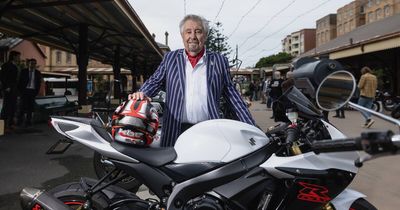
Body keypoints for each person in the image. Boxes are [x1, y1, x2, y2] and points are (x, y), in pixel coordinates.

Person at [129, 14, 255, 147]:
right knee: (172, 166)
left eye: (198, 31)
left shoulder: (219, 60)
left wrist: (251, 126)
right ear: (182, 36)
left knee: (208, 166)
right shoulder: (170, 58)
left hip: (209, 130)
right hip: (175, 130)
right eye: (188, 32)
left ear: (205, 35)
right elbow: (155, 81)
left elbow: (231, 95)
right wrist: (142, 93)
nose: (193, 36)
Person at [17, 58, 43, 127]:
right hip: (24, 91)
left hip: (32, 92)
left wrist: (36, 92)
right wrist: (20, 92)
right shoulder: (23, 71)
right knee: (22, 107)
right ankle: (19, 121)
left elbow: (38, 83)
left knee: (30, 108)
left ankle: (28, 122)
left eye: (34, 63)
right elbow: (19, 82)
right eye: (31, 63)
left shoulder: (37, 72)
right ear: (28, 64)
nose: (32, 65)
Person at [0, 51, 21, 132]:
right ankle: (2, 127)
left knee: (13, 107)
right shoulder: (6, 65)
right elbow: (2, 77)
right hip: (8, 89)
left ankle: (10, 125)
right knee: (6, 108)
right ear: (14, 56)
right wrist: (6, 87)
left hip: (14, 89)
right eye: (18, 56)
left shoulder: (15, 65)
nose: (19, 58)